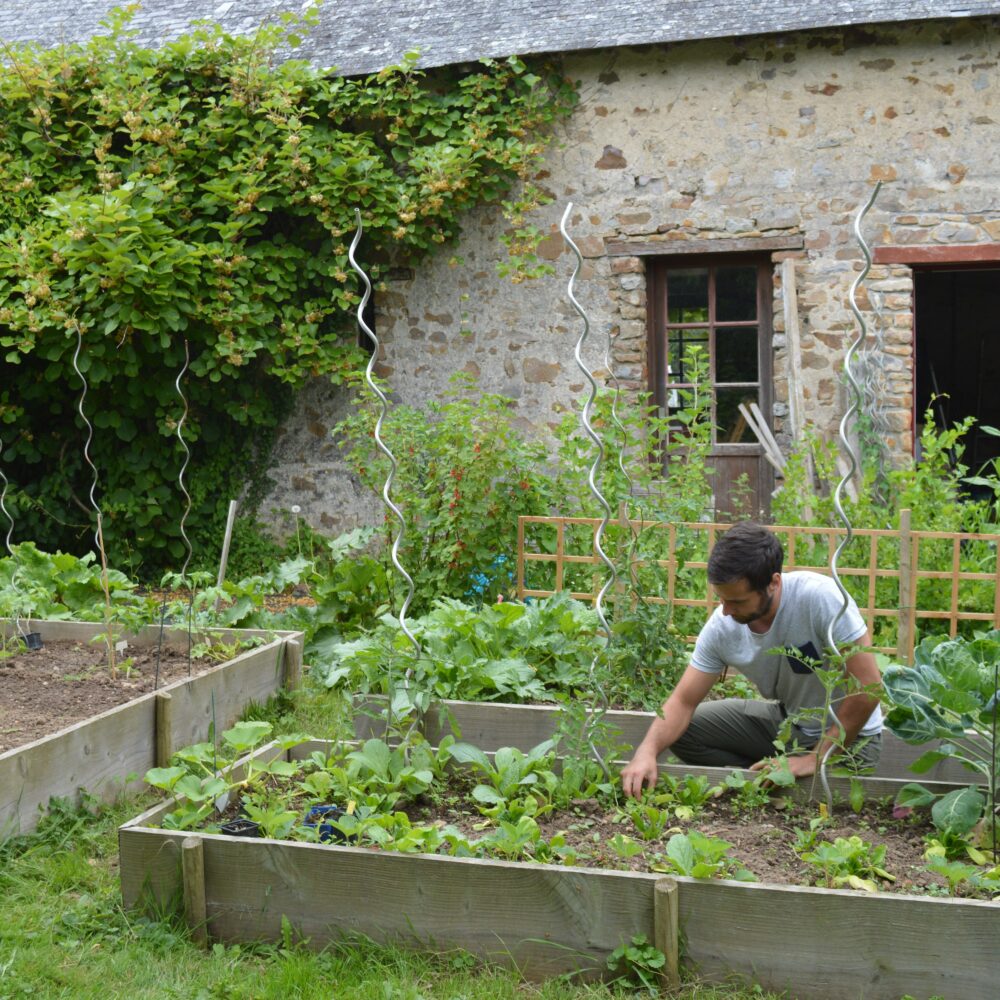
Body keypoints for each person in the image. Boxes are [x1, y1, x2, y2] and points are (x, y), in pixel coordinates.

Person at [621, 521, 883, 798]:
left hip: (852, 742)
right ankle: (758, 778)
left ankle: (787, 772)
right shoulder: (722, 627)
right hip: (791, 726)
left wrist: (815, 758)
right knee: (684, 731)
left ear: (773, 583)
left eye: (737, 602)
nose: (726, 610)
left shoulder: (819, 598)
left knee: (824, 798)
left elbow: (869, 688)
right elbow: (683, 702)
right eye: (721, 599)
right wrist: (646, 752)